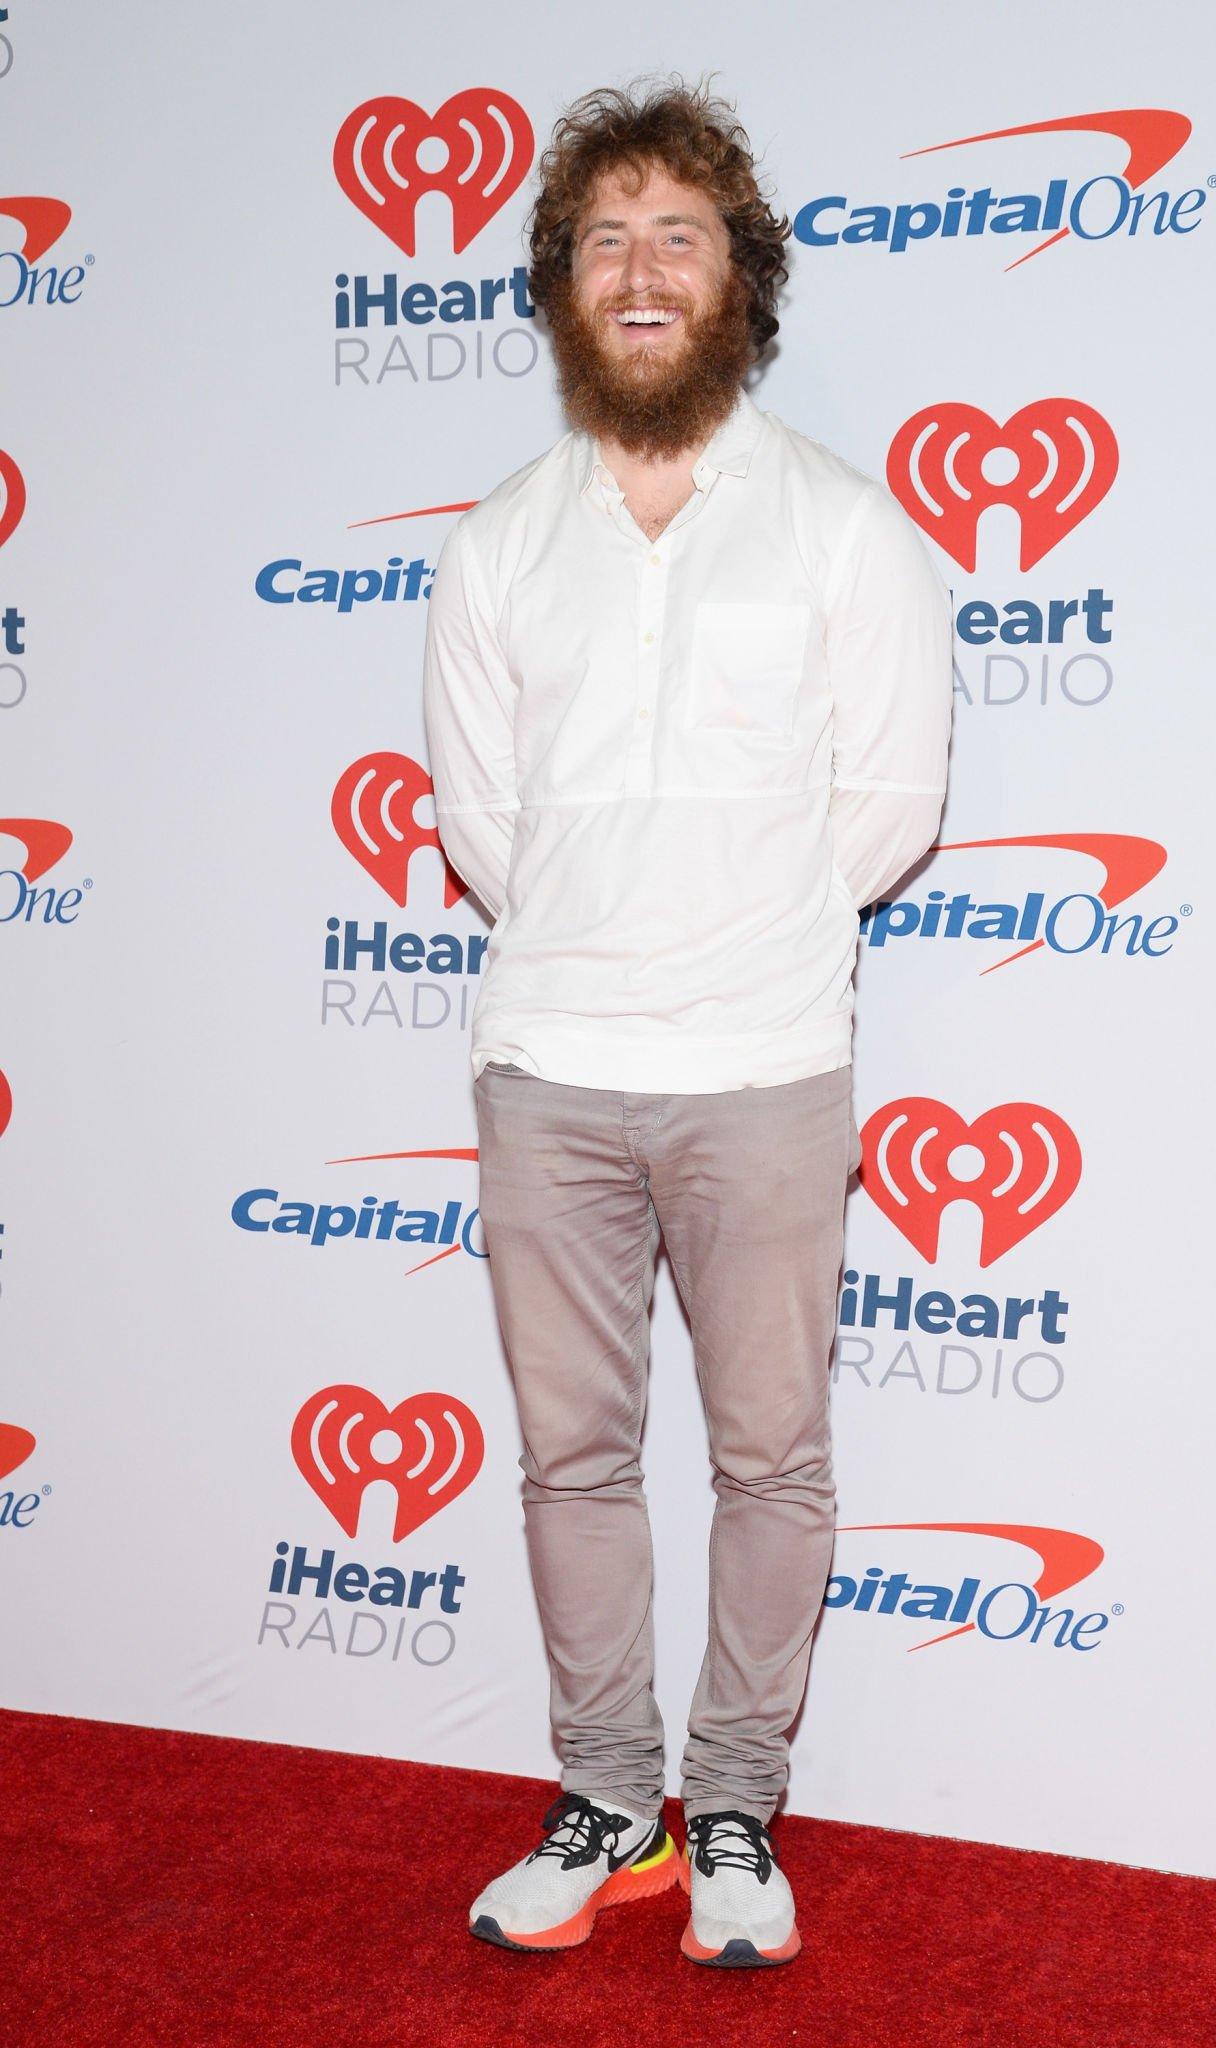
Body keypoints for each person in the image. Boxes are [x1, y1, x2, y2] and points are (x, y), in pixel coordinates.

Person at [422, 73, 953, 1969]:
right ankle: (603, 1796)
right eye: (606, 238)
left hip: (764, 1068)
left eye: (683, 235)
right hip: (550, 1064)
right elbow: (485, 821)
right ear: (562, 283)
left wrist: (735, 937)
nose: (643, 272)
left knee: (770, 1458)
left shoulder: (839, 525)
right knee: (568, 1459)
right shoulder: (497, 539)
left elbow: (886, 813)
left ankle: (733, 1802)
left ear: (744, 278)